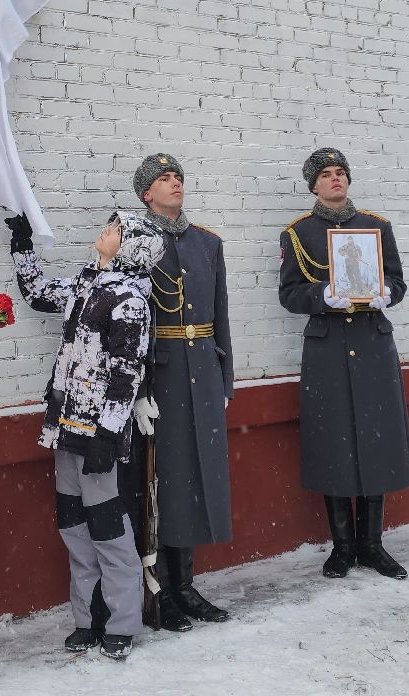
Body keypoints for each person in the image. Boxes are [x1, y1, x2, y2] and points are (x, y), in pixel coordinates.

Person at [9, 209, 161, 660]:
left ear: (132, 245)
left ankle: (122, 623)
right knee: (73, 526)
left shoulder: (130, 299)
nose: (106, 230)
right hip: (64, 428)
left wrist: (108, 434)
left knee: (108, 529)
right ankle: (88, 619)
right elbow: (38, 294)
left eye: (117, 228)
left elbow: (126, 372)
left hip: (97, 435)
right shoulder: (87, 282)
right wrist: (22, 244)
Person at [279, 148, 409, 580]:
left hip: (371, 342)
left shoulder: (376, 227)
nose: (336, 180)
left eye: (341, 173)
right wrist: (322, 298)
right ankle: (342, 546)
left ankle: (372, 544)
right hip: (328, 346)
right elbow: (289, 294)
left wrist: (386, 294)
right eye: (326, 175)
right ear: (313, 185)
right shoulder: (298, 234)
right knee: (333, 444)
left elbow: (397, 279)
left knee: (375, 443)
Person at [131, 153, 234, 629]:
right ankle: (162, 591)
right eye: (164, 179)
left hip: (202, 373)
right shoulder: (135, 243)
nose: (175, 184)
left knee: (195, 477)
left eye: (179, 178)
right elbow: (127, 321)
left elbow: (220, 315)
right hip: (163, 376)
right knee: (165, 481)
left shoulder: (207, 243)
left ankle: (186, 585)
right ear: (146, 193)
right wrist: (136, 390)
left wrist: (224, 377)